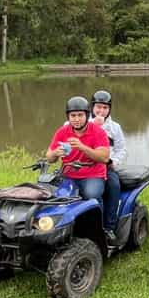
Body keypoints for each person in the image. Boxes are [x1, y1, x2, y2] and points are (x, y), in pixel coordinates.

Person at [46, 96, 110, 204]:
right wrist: (55, 153)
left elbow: (104, 158)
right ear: (68, 117)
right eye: (73, 115)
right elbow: (49, 158)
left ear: (87, 115)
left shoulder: (98, 132)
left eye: (80, 115)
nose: (76, 119)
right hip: (68, 175)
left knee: (91, 194)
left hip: (93, 175)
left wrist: (82, 147)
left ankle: (99, 220)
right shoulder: (62, 132)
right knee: (57, 196)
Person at [90, 89, 127, 239]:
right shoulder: (80, 122)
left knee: (114, 186)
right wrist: (95, 125)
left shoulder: (115, 127)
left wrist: (114, 162)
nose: (101, 111)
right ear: (92, 107)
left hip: (105, 167)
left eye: (105, 107)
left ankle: (108, 227)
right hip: (82, 166)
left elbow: (122, 149)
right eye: (98, 106)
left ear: (109, 109)